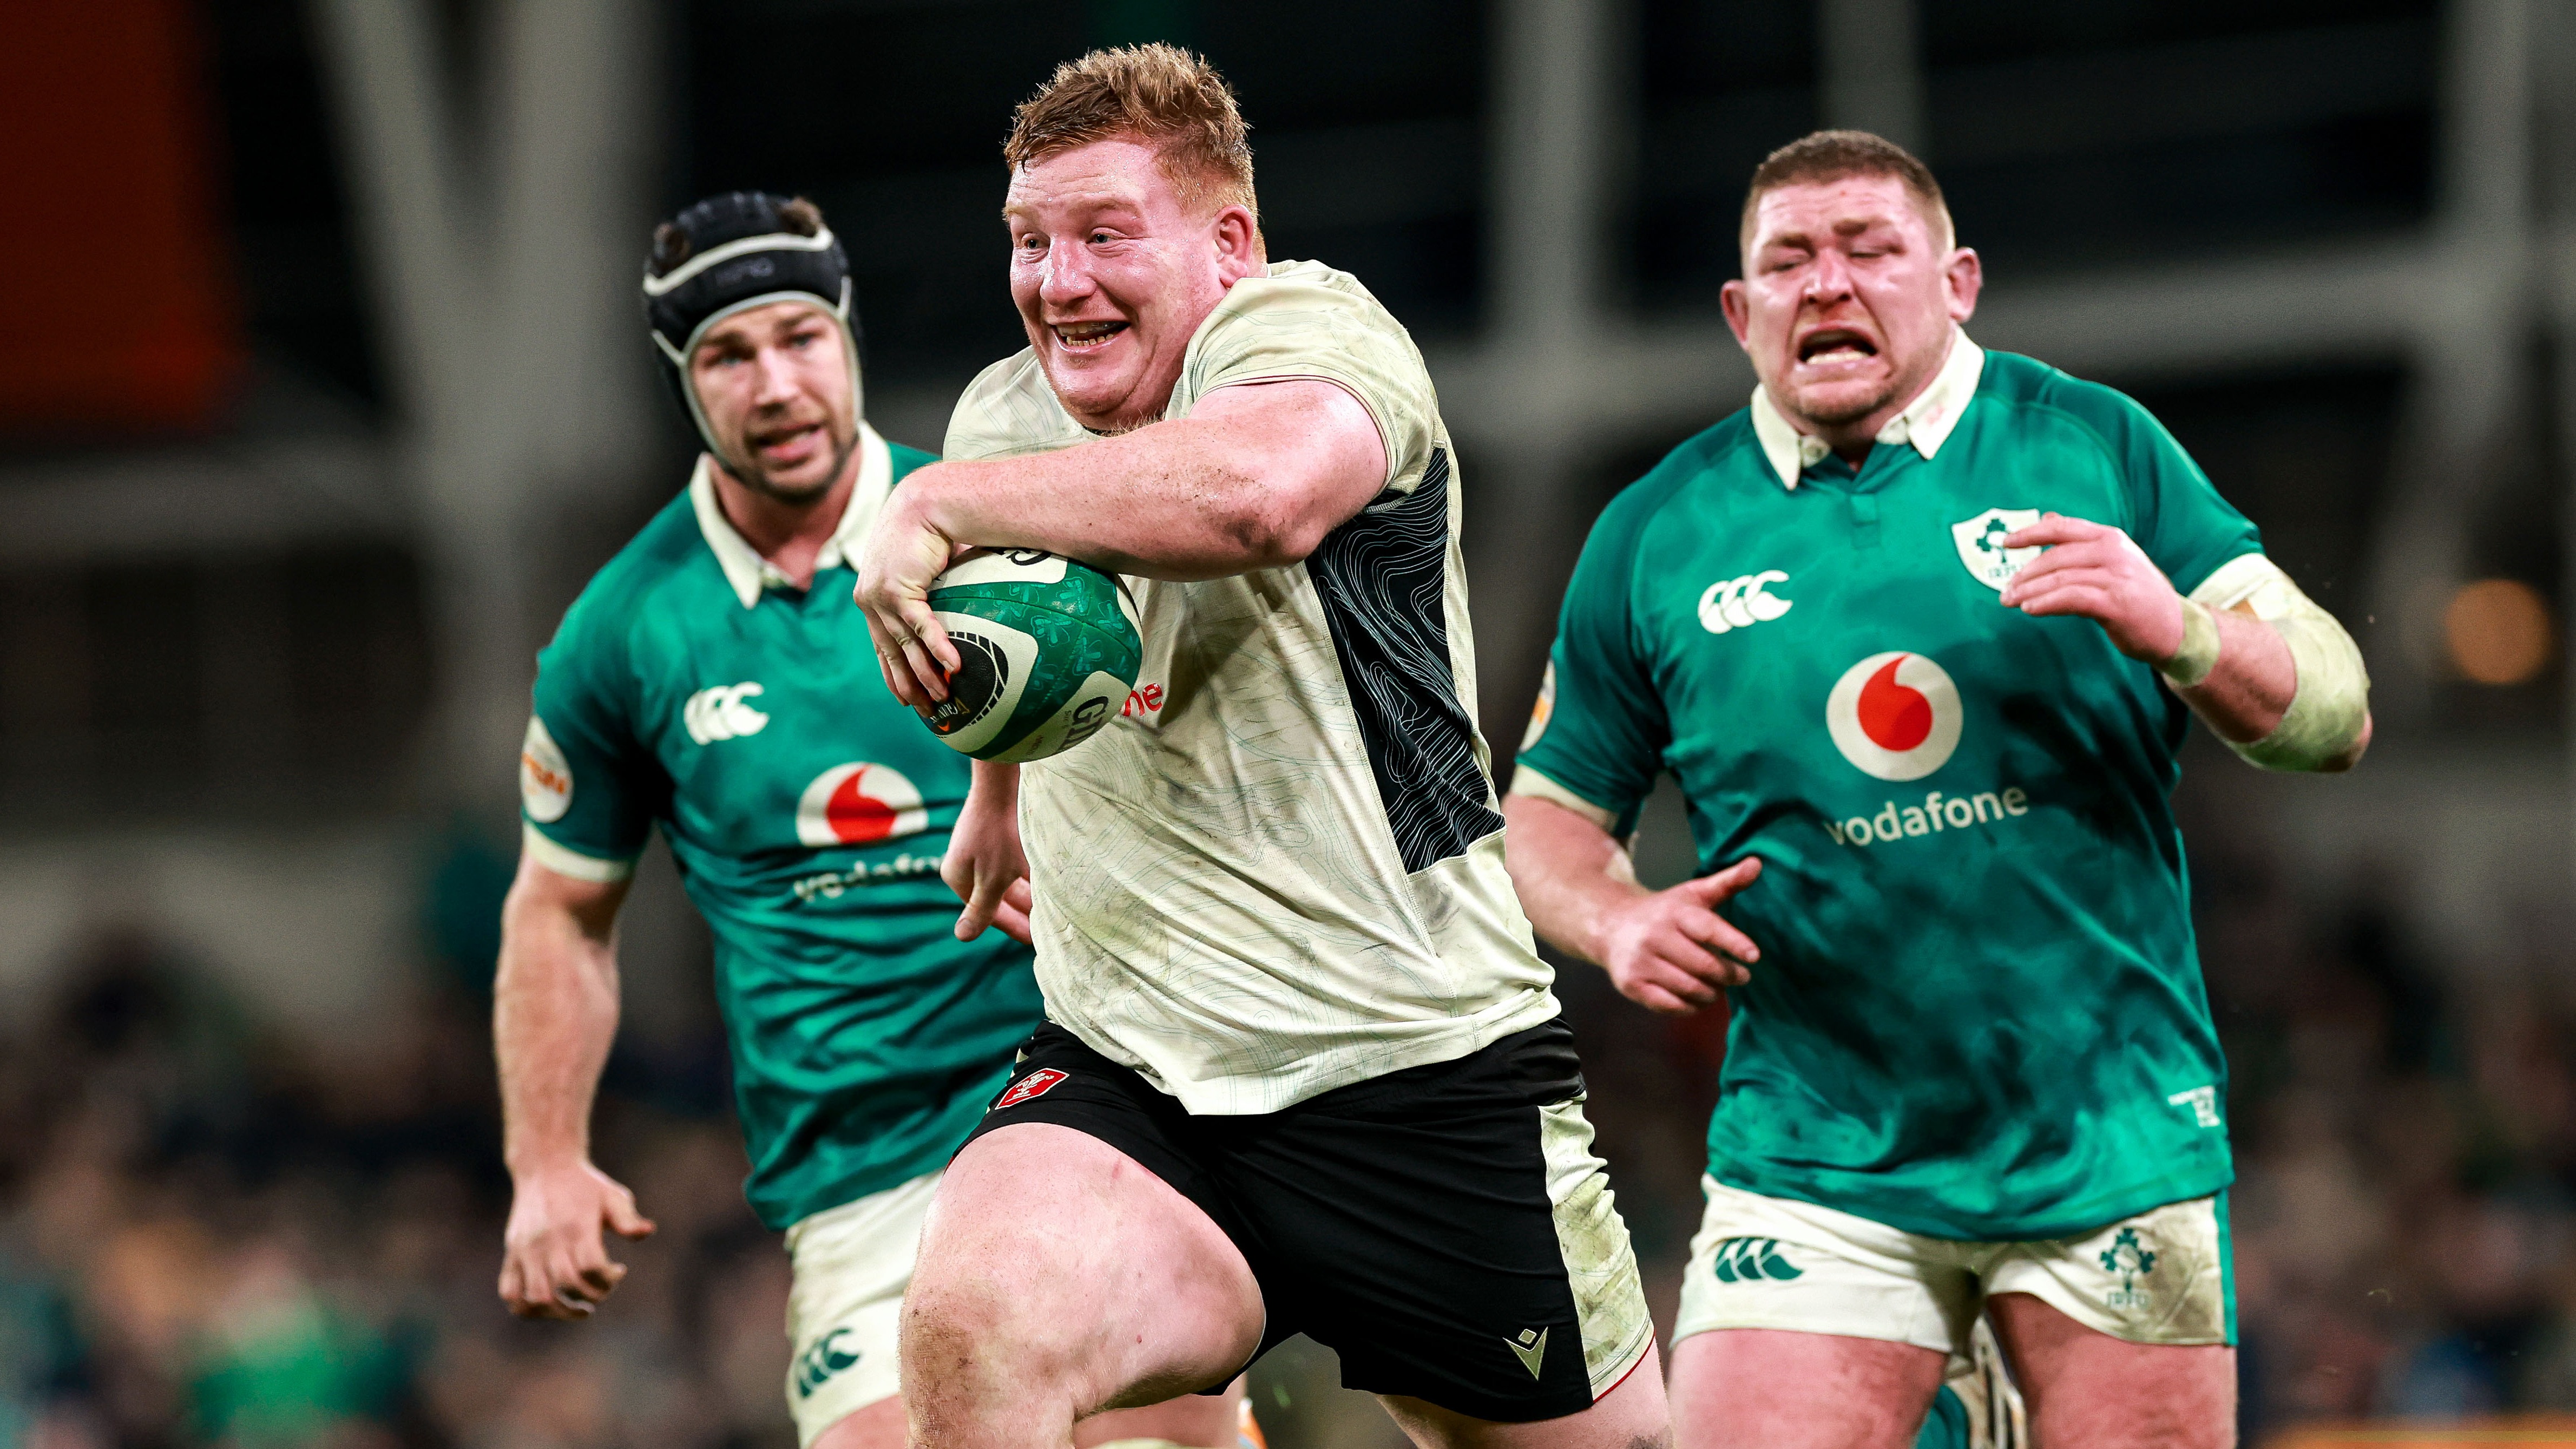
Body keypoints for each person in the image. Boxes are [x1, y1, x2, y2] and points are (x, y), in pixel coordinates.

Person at [1503, 130, 2371, 1449]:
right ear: (1740, 314)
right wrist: (1617, 918)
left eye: (1869, 249)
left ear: (1956, 281)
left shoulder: (2094, 448)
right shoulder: (1654, 533)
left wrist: (2177, 627)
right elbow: (1547, 822)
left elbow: (2334, 711)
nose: (1826, 284)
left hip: (2107, 1136)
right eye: (1787, 260)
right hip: (1815, 1149)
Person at [852, 45, 1666, 1449]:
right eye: (1030, 242)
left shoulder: (1321, 341)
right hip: (1135, 1066)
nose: (1058, 281)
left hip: (1416, 1063)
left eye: (1106, 235)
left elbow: (1258, 496)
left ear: (1228, 243)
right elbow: (1025, 631)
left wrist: (939, 498)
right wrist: (995, 786)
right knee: (972, 1332)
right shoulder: (1005, 418)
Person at [495, 191, 1254, 1449]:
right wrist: (544, 1160)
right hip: (856, 1180)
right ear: (684, 383)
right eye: (729, 356)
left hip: (1075, 1103)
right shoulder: (624, 632)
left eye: (799, 337)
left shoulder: (1004, 530)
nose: (774, 382)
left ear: (846, 335)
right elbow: (561, 908)